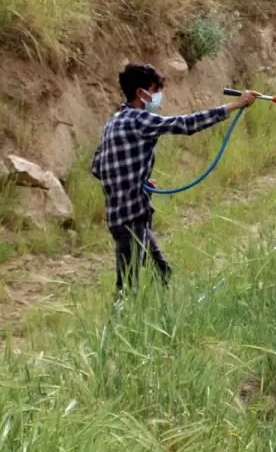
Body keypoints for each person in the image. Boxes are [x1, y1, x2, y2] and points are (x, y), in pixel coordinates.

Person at [91, 63, 258, 300]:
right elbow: (185, 124)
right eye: (155, 89)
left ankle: (170, 317)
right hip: (131, 218)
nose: (158, 96)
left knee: (162, 272)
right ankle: (118, 330)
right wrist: (236, 105)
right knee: (127, 290)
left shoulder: (114, 122)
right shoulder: (139, 120)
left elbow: (98, 167)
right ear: (141, 93)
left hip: (123, 215)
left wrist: (139, 178)